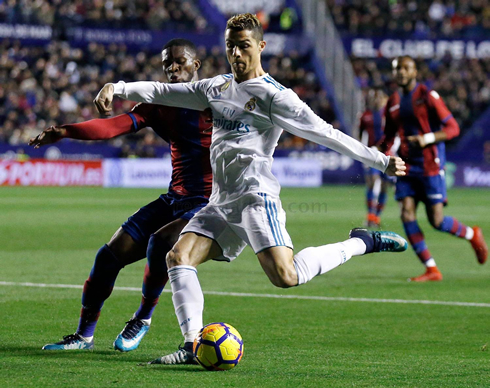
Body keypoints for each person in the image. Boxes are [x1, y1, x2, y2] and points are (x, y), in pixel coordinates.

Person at [94, 13, 408, 365]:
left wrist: (381, 161)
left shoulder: (276, 97)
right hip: (220, 202)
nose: (236, 54)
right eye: (230, 46)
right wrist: (118, 88)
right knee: (178, 257)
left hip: (255, 199)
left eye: (243, 46)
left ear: (260, 45)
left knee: (286, 276)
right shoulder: (216, 88)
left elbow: (327, 134)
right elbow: (164, 91)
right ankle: (192, 345)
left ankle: (361, 241)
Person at [31, 39, 213, 352]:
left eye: (180, 62)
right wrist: (65, 131)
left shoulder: (218, 99)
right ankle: (83, 336)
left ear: (196, 66)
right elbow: (113, 126)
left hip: (209, 203)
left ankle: (142, 317)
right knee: (107, 258)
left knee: (161, 243)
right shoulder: (159, 102)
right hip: (174, 198)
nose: (172, 68)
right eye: (167, 62)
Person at [378, 55, 488, 282]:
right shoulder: (393, 103)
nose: (401, 72)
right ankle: (431, 268)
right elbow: (388, 137)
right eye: (397, 69)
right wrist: (378, 155)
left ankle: (472, 234)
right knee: (406, 212)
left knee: (436, 221)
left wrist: (426, 138)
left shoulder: (428, 97)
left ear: (415, 72)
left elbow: (453, 128)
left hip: (430, 164)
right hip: (407, 167)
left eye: (406, 68)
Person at [359, 88, 391, 228]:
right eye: (374, 97)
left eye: (379, 97)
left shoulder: (389, 115)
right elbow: (360, 135)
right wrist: (363, 152)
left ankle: (376, 217)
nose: (376, 100)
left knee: (384, 187)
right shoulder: (365, 115)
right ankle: (370, 216)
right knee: (372, 182)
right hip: (371, 154)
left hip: (388, 155)